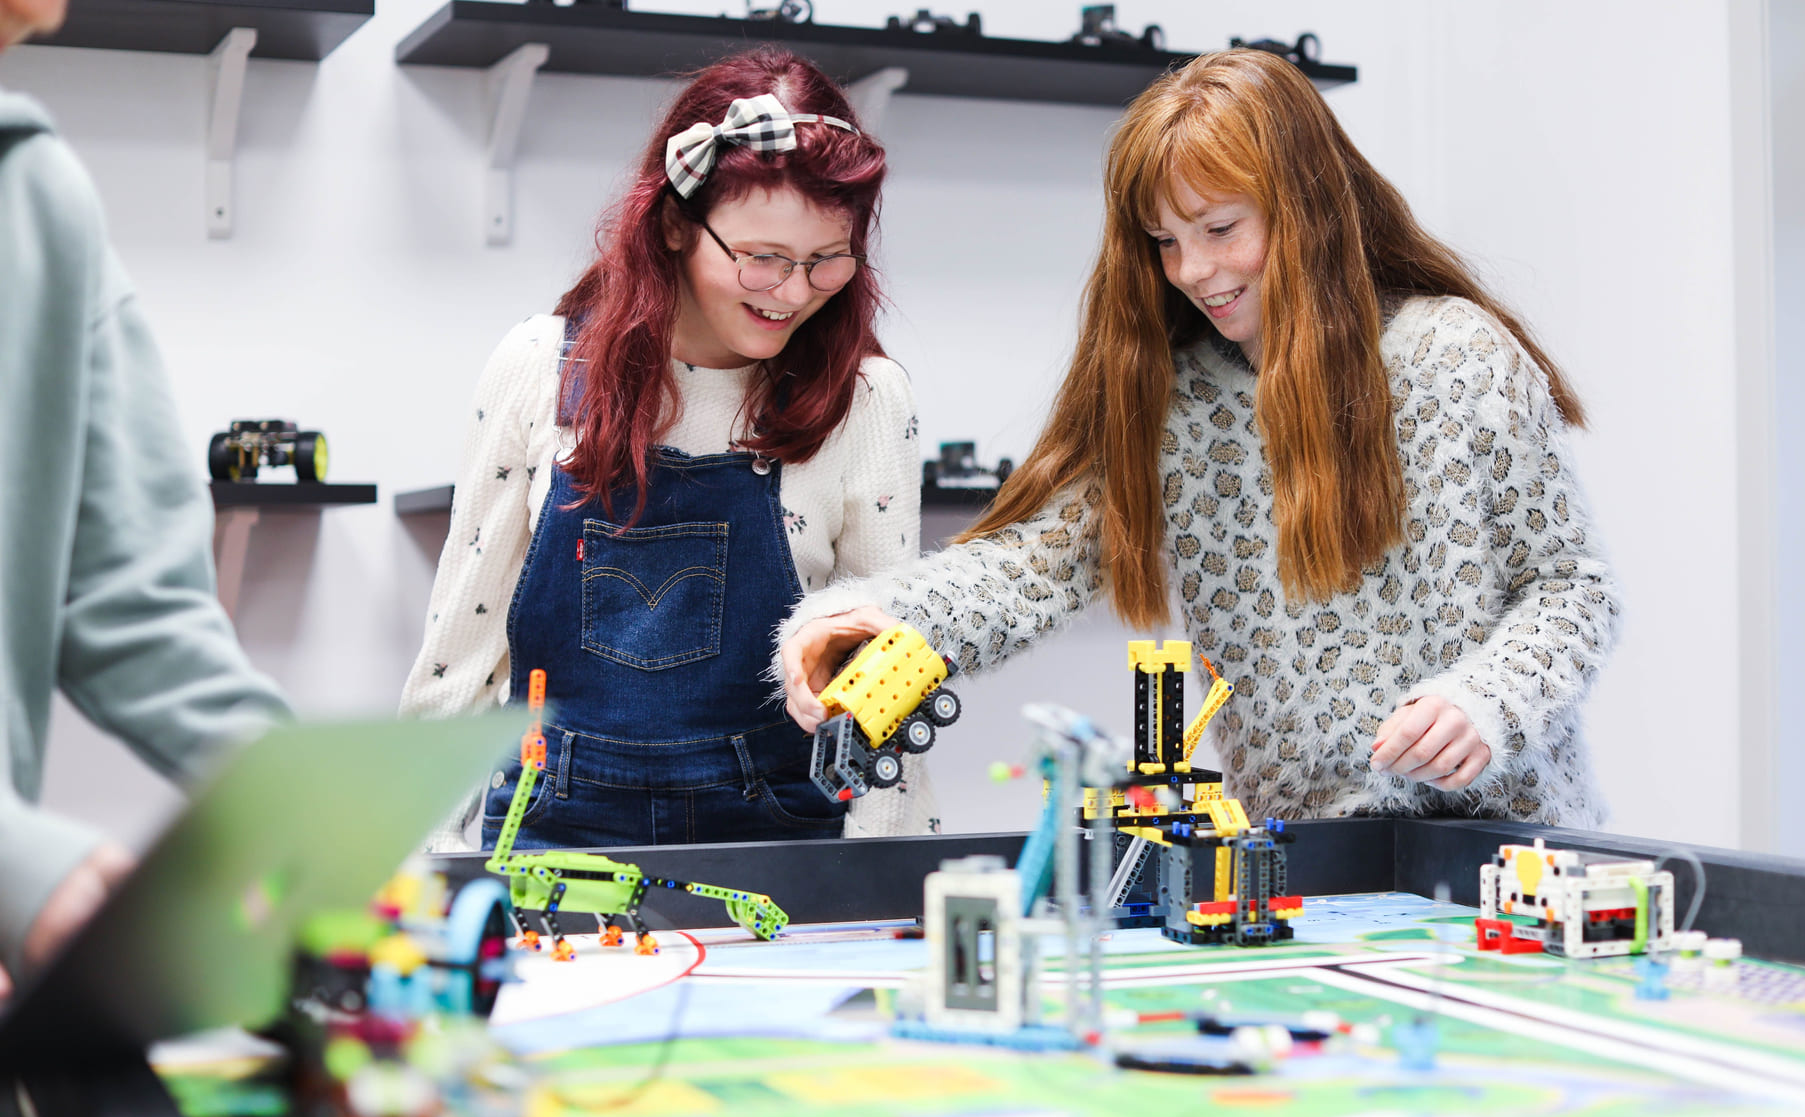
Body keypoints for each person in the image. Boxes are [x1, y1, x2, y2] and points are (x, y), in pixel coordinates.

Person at [781, 48, 1618, 828]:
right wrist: (875, 617)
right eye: (1165, 242)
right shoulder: (1176, 390)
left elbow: (1573, 589)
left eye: (1221, 229)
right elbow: (1037, 562)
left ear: (1310, 210)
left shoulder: (1455, 353)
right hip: (1305, 854)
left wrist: (1487, 702)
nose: (1193, 271)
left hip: (1506, 838)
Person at [403, 48, 936, 850]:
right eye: (762, 258)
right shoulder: (539, 370)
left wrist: (892, 891)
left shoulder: (867, 400)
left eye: (825, 259)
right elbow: (458, 664)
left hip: (784, 846)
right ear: (678, 223)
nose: (792, 293)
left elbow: (885, 694)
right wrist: (417, 885)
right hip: (553, 838)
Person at [0, 0, 291, 996]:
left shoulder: (33, 199)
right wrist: (18, 864)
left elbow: (136, 605)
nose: (45, 0)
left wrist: (307, 816)